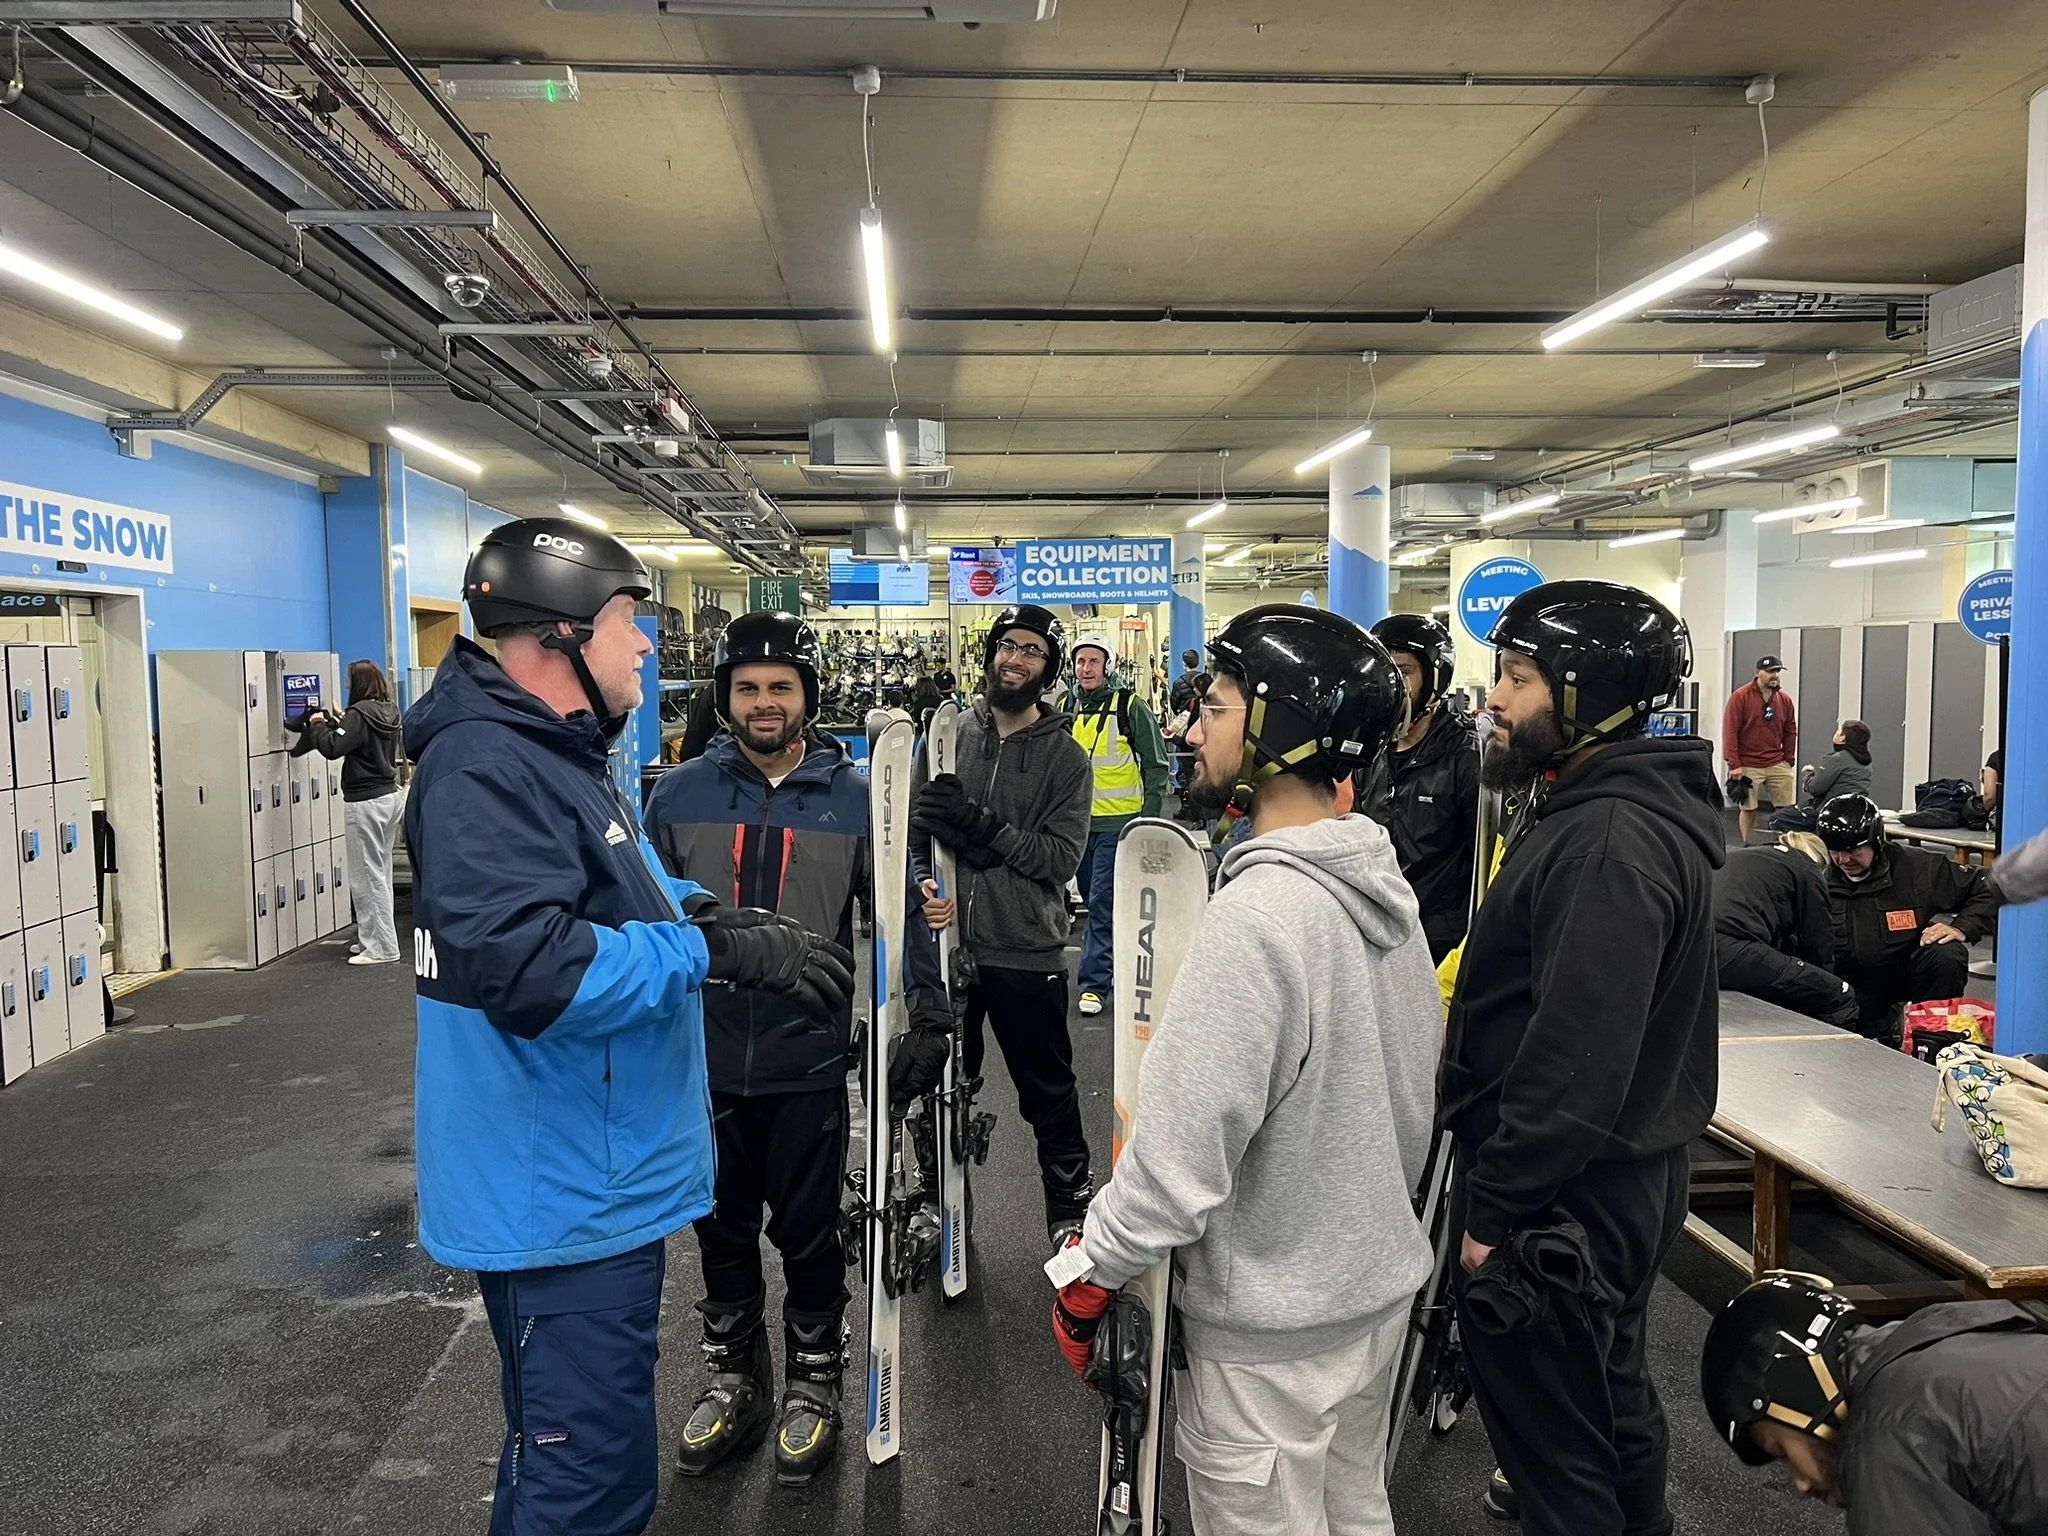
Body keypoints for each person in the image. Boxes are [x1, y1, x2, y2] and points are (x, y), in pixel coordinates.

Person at [403, 519, 854, 1536]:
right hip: (552, 1191)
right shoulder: (488, 765)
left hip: (581, 1174)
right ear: (558, 636)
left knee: (570, 1469)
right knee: (587, 1489)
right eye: (626, 623)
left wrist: (703, 912)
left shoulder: (551, 754)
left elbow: (622, 888)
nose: (648, 646)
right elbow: (531, 970)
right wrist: (716, 954)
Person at [1050, 605, 1439, 1536]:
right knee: (1353, 1513)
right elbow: (1414, 1103)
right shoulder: (1385, 894)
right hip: (1369, 1297)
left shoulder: (1260, 917)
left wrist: (1090, 1270)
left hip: (1269, 1336)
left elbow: (1180, 1162)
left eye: (1215, 707)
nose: (1191, 729)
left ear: (1275, 731)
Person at [643, 611, 950, 1487]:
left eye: (781, 687)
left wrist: (927, 1015)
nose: (765, 702)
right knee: (719, 1230)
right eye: (748, 688)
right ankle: (735, 1378)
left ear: (808, 697)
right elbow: (641, 920)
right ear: (726, 698)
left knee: (810, 1234)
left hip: (808, 1058)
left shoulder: (857, 799)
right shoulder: (676, 796)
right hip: (700, 1059)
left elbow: (901, 919)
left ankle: (815, 1385)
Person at [1441, 579, 1720, 1536]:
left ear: (1589, 698)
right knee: (1611, 1407)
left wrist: (1497, 1206)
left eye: (1516, 679)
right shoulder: (1613, 811)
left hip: (1568, 1192)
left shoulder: (1607, 840)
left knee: (1557, 1459)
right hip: (1620, 1177)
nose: (1495, 700)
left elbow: (1577, 1055)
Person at [912, 603, 1097, 1247]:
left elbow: (1060, 859)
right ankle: (938, 1206)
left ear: (1049, 668)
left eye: (1031, 651)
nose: (1012, 659)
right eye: (1005, 646)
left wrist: (983, 831)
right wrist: (926, 884)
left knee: (1047, 1092)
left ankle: (1070, 1212)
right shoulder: (948, 736)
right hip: (950, 948)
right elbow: (916, 836)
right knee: (941, 1086)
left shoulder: (1067, 760)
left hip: (1025, 948)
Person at [1701, 1271, 2048, 1534]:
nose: (1801, 1484)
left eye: (1781, 1452)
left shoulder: (1889, 1435)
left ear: (1798, 1393)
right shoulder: (1942, 1345)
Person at [1814, 792, 2000, 1042]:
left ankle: (1931, 1038)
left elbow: (1988, 884)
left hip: (1902, 970)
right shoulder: (1814, 875)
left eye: (1853, 850)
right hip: (1846, 982)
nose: (1844, 860)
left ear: (1876, 841)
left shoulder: (1917, 867)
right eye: (1835, 851)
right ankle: (1884, 1022)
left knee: (1946, 954)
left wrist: (1961, 928)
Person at [1062, 636, 1170, 1017]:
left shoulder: (1130, 707)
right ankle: (1121, 967)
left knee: (1100, 905)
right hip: (1076, 828)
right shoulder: (1065, 708)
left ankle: (1093, 985)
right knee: (1100, 902)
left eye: (1094, 661)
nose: (1086, 668)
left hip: (1119, 826)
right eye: (1080, 661)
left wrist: (1150, 822)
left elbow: (1156, 765)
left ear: (1107, 666)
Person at [1365, 612, 1480, 962]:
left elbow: (1483, 863)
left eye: (1403, 672)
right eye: (1384, 674)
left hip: (1439, 943)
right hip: (1379, 933)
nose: (1392, 686)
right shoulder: (1370, 752)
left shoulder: (1465, 755)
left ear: (1433, 679)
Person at [287, 659, 405, 965]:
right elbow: (356, 737)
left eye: (349, 681)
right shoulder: (388, 710)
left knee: (365, 877)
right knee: (379, 873)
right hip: (389, 797)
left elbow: (331, 748)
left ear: (360, 683)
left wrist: (315, 722)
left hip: (364, 801)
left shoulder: (359, 714)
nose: (347, 685)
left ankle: (382, 948)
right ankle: (372, 939)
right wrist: (338, 720)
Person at [1713, 833, 1858, 1026]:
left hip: (1691, 947)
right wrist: (1819, 981)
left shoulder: (1744, 855)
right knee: (1838, 995)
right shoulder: (1807, 870)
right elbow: (1818, 944)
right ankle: (1827, 1054)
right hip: (1731, 949)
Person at [1723, 654, 1798, 841]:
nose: (1775, 675)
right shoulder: (1740, 697)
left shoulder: (1784, 700)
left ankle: (1784, 845)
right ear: (1758, 673)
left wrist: (1789, 759)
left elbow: (1790, 730)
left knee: (1786, 809)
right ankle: (1749, 845)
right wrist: (1734, 764)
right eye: (1771, 671)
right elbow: (1730, 731)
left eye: (1778, 671)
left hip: (1777, 762)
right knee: (1748, 809)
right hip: (1747, 763)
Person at [1771, 720, 1872, 833]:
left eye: (1839, 731)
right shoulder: (1866, 762)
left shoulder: (1837, 759)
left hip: (1830, 811)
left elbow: (1815, 788)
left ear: (1842, 738)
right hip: (1853, 813)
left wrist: (1808, 773)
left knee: (1777, 819)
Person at [1167, 646, 1210, 792]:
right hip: (1206, 733)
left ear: (1184, 664)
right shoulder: (1207, 681)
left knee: (1185, 767)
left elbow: (1174, 704)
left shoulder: (1179, 683)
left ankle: (1187, 802)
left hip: (1185, 734)